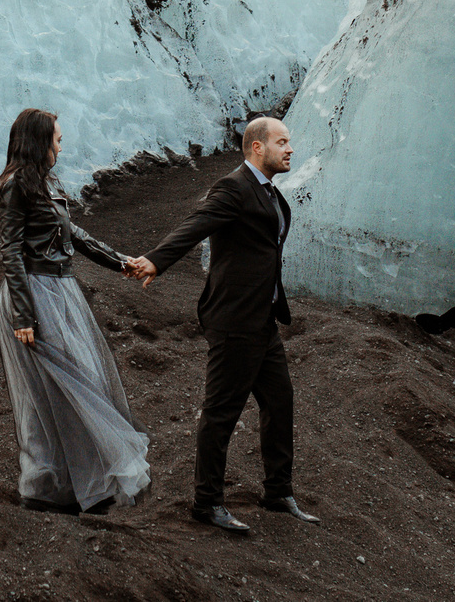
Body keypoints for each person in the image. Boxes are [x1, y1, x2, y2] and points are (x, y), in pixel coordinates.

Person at [121, 116, 317, 535]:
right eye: (282, 142)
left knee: (280, 401)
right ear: (257, 147)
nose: (290, 149)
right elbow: (197, 224)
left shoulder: (268, 194)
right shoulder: (234, 187)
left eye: (290, 142)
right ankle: (206, 503)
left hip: (261, 319)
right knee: (221, 412)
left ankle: (277, 492)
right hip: (234, 320)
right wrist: (157, 259)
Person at [0, 107, 151, 514]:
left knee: (80, 383)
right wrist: (24, 316)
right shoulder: (14, 187)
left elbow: (73, 235)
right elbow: (10, 252)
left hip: (60, 293)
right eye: (57, 140)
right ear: (39, 142)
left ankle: (69, 486)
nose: (61, 146)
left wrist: (121, 261)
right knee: (56, 392)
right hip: (34, 294)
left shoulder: (44, 184)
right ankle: (51, 487)